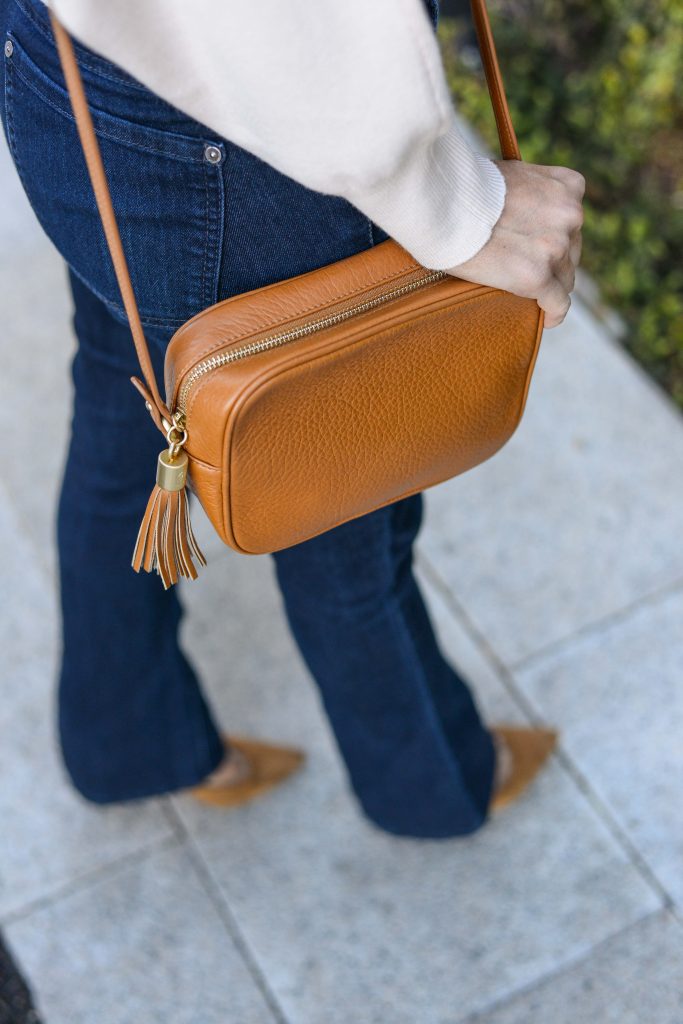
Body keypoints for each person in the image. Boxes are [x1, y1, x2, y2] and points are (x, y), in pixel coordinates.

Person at [0, 0, 584, 838]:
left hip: (64, 68)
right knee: (347, 523)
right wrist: (450, 203)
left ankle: (126, 743)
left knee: (122, 400)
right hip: (252, 141)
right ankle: (431, 784)